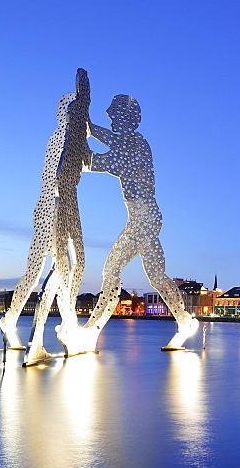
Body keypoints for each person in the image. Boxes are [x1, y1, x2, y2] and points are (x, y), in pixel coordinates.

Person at [62, 94, 197, 352]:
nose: (109, 115)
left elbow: (102, 161)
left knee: (111, 270)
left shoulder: (135, 146)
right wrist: (87, 127)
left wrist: (81, 143)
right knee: (157, 277)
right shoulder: (132, 142)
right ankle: (184, 321)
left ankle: (91, 331)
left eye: (113, 113)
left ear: (126, 117)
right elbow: (111, 141)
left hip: (143, 216)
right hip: (147, 215)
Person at [0, 70, 92, 364]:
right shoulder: (66, 139)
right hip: (57, 206)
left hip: (60, 205)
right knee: (62, 269)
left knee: (44, 269)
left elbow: (88, 164)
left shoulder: (67, 140)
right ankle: (38, 339)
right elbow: (62, 175)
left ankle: (13, 320)